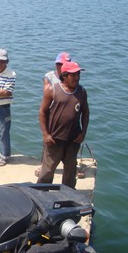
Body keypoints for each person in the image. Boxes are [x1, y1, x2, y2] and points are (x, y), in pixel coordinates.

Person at [37, 61, 90, 189]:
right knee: (48, 170)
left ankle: (68, 195)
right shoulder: (52, 90)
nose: (77, 78)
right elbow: (42, 112)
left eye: (78, 74)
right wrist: (45, 134)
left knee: (70, 171)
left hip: (73, 139)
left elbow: (86, 113)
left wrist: (83, 133)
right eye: (73, 75)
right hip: (54, 139)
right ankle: (40, 194)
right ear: (64, 76)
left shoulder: (82, 91)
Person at [35, 51, 72, 177]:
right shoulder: (49, 76)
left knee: (69, 143)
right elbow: (46, 90)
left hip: (66, 116)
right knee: (47, 142)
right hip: (52, 115)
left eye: (64, 64)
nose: (61, 67)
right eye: (59, 64)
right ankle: (43, 166)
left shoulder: (72, 77)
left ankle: (70, 166)